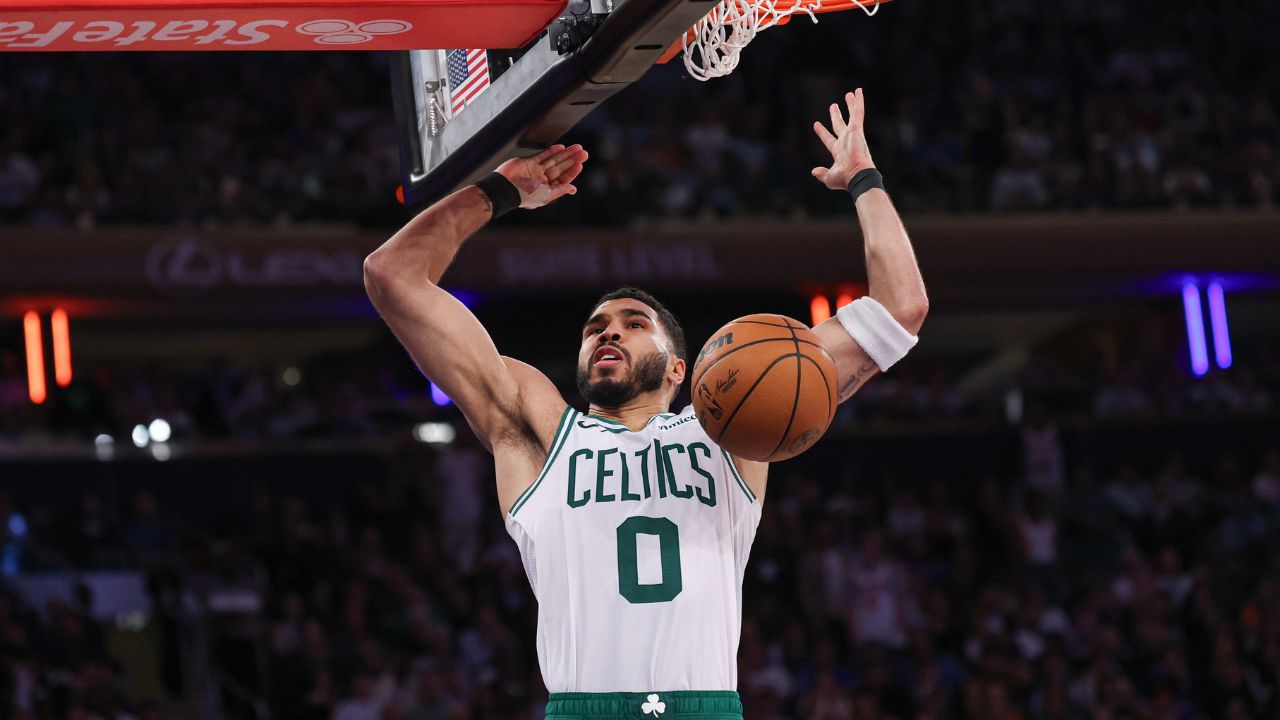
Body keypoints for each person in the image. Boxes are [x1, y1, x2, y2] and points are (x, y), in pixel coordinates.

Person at [364, 89, 928, 720]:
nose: (608, 331)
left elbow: (901, 311)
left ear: (682, 369)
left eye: (634, 323)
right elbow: (393, 276)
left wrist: (865, 181)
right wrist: (500, 192)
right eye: (595, 326)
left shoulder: (735, 425)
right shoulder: (537, 428)